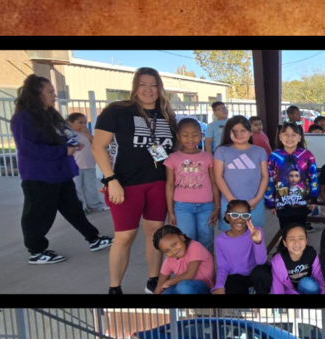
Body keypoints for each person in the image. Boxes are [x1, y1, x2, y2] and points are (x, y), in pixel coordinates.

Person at [11, 75, 112, 266]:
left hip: (60, 173)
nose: (54, 95)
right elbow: (28, 148)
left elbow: (62, 136)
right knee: (38, 214)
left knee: (74, 210)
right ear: (36, 94)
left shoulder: (50, 115)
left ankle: (94, 239)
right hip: (39, 176)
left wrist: (71, 145)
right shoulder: (23, 118)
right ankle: (36, 251)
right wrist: (63, 150)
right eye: (50, 92)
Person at [93, 67, 175, 293]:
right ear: (135, 87)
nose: (148, 89)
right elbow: (97, 146)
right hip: (125, 184)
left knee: (155, 233)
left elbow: (174, 153)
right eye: (143, 84)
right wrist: (110, 180)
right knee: (125, 235)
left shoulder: (167, 114)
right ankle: (114, 287)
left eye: (153, 84)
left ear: (159, 87)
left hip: (158, 183)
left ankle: (153, 279)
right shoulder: (117, 111)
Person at [164, 117, 219, 253]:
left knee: (206, 241)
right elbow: (170, 184)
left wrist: (216, 206)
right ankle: (190, 273)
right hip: (182, 207)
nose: (190, 139)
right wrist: (170, 211)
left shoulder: (207, 157)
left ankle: (207, 273)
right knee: (187, 241)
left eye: (195, 135)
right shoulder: (173, 158)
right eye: (185, 135)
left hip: (206, 206)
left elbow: (214, 182)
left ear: (201, 135)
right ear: (178, 136)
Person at [213, 116, 269, 231]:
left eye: (243, 131)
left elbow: (265, 176)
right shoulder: (221, 151)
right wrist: (231, 199)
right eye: (235, 131)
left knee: (254, 235)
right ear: (229, 133)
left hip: (254, 203)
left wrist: (258, 198)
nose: (239, 134)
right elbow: (218, 177)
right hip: (229, 203)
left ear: (250, 132)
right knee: (230, 236)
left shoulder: (260, 151)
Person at [266, 122, 318, 234]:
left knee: (300, 231)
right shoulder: (275, 156)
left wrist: (314, 198)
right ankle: (284, 251)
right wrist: (270, 202)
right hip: (281, 203)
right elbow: (269, 179)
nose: (289, 137)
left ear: (299, 137)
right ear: (280, 137)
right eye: (285, 134)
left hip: (303, 203)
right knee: (285, 232)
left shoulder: (307, 155)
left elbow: (313, 177)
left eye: (294, 134)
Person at [212, 199, 272, 295]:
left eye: (245, 215)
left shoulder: (256, 232)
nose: (240, 219)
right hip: (236, 277)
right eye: (235, 215)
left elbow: (261, 261)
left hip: (256, 274)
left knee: (261, 273)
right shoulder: (220, 240)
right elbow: (223, 267)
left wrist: (257, 242)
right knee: (229, 286)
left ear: (249, 217)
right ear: (227, 216)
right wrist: (219, 286)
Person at [152, 225, 215, 295]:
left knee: (183, 286)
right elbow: (160, 285)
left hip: (204, 288)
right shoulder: (170, 258)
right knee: (166, 293)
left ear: (182, 237)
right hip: (182, 288)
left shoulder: (195, 247)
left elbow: (189, 275)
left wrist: (169, 282)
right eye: (167, 251)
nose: (173, 251)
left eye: (174, 244)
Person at [66, 112, 108, 213]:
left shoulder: (86, 134)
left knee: (91, 187)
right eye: (80, 123)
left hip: (89, 165)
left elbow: (97, 145)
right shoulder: (69, 134)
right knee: (77, 188)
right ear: (70, 123)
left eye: (85, 123)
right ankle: (80, 208)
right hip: (75, 166)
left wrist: (89, 135)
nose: (83, 125)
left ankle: (94, 205)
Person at [270, 223, 325, 294]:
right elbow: (277, 289)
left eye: (301, 238)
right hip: (290, 292)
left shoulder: (311, 254)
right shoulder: (278, 262)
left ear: (306, 241)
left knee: (308, 283)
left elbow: (321, 280)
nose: (297, 243)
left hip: (308, 290)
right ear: (285, 243)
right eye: (292, 239)